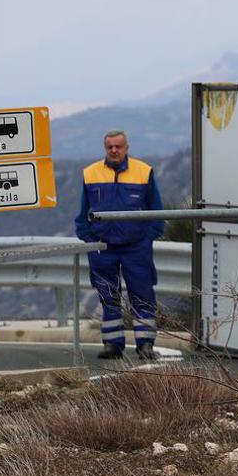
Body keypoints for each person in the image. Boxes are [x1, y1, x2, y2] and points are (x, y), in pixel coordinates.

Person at [74, 130, 166, 360]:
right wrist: (88, 237)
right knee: (108, 295)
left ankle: (145, 344)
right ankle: (113, 344)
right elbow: (83, 211)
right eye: (110, 147)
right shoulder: (90, 173)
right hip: (103, 246)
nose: (114, 150)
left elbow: (157, 209)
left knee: (142, 294)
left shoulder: (143, 171)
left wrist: (149, 236)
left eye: (118, 146)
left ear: (127, 147)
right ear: (105, 148)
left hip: (136, 246)